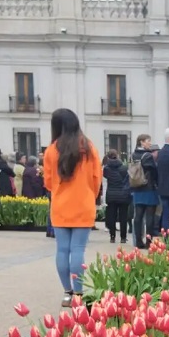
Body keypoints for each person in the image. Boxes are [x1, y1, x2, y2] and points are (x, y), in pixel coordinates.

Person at [43, 108, 102, 307]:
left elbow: (48, 182)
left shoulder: (52, 150)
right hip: (83, 204)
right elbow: (97, 178)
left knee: (62, 250)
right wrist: (89, 195)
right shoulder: (88, 147)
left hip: (60, 205)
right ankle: (78, 294)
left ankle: (67, 292)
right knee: (78, 250)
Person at [131, 134, 160, 248]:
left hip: (137, 188)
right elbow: (154, 171)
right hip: (148, 188)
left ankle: (138, 241)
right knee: (150, 216)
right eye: (148, 141)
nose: (150, 143)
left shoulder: (134, 154)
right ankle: (148, 241)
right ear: (141, 142)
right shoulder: (147, 155)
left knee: (138, 216)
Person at [103, 149, 131, 244]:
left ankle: (112, 236)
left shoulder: (106, 169)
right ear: (118, 156)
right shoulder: (124, 168)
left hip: (111, 195)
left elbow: (105, 178)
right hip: (123, 195)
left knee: (112, 216)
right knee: (123, 217)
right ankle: (123, 237)